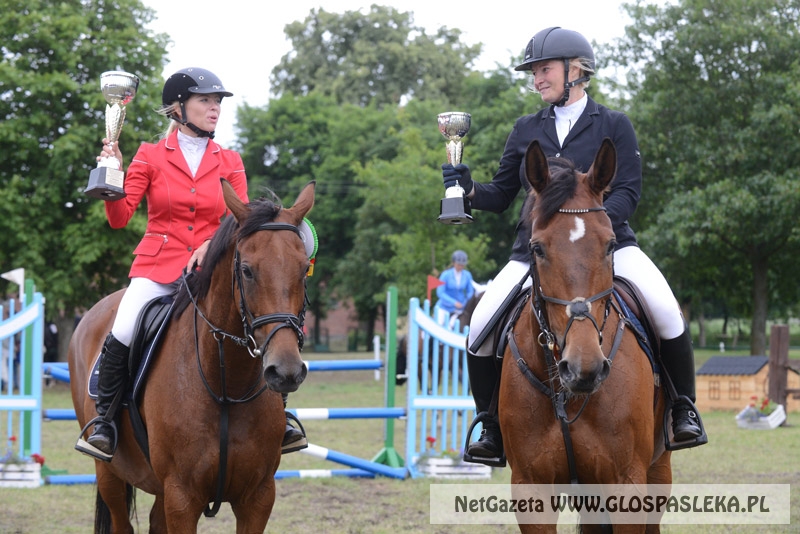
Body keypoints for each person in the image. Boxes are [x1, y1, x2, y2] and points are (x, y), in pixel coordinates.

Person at [441, 27, 705, 465]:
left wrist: (586, 229)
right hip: (537, 254)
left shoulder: (614, 124)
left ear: (576, 70)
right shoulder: (526, 128)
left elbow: (628, 192)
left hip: (607, 247)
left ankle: (682, 409)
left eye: (544, 69)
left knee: (665, 310)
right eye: (534, 72)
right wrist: (467, 189)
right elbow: (502, 194)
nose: (537, 79)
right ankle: (489, 424)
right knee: (479, 326)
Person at [75, 67, 306, 461]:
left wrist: (209, 244)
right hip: (157, 266)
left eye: (218, 102)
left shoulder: (229, 160)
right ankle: (104, 422)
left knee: (264, 317)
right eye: (205, 101)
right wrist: (112, 175)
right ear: (178, 108)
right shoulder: (150, 155)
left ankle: (279, 415)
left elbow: (241, 221)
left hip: (210, 269)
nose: (215, 108)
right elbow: (120, 218)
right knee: (125, 326)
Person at [435, 250, 475, 328]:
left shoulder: (467, 275)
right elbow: (440, 292)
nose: (460, 267)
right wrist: (454, 302)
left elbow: (470, 291)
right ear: (453, 263)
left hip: (460, 308)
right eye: (458, 264)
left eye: (462, 265)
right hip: (444, 307)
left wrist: (464, 302)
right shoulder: (445, 275)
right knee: (438, 325)